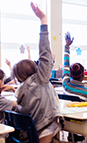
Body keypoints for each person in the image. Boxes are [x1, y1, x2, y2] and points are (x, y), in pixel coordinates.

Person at [12, 2, 63, 143]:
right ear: (34, 70)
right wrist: (43, 21)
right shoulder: (39, 80)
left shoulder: (21, 89)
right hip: (44, 128)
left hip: (29, 134)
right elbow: (44, 52)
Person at [62, 32, 87, 101]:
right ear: (83, 76)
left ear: (70, 74)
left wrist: (67, 46)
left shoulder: (66, 85)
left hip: (66, 112)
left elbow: (66, 66)